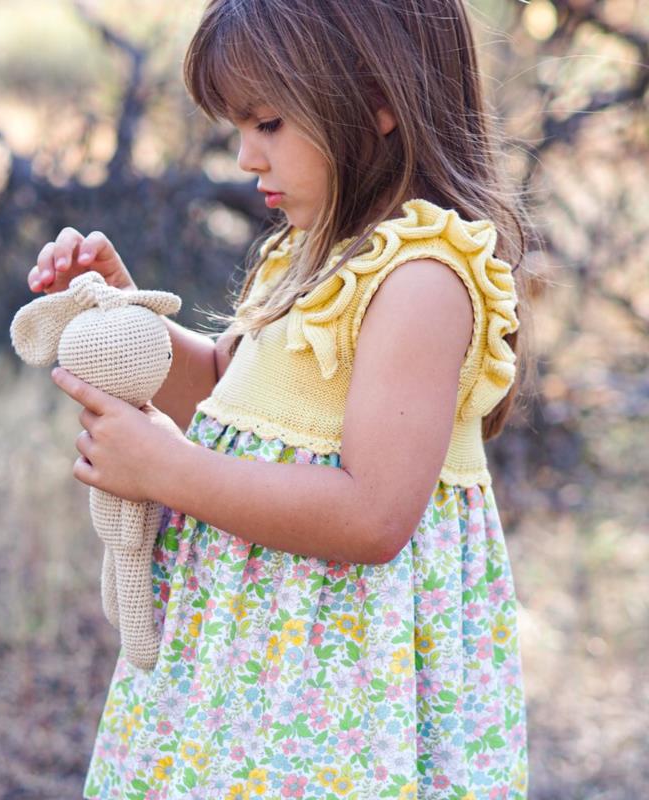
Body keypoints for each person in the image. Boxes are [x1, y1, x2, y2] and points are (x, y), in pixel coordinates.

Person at [27, 0, 532, 797]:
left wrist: (168, 473)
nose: (243, 158)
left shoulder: (420, 280)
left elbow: (373, 516)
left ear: (378, 100)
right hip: (246, 665)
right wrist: (119, 316)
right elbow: (232, 403)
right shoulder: (315, 251)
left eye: (267, 124)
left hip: (337, 691)